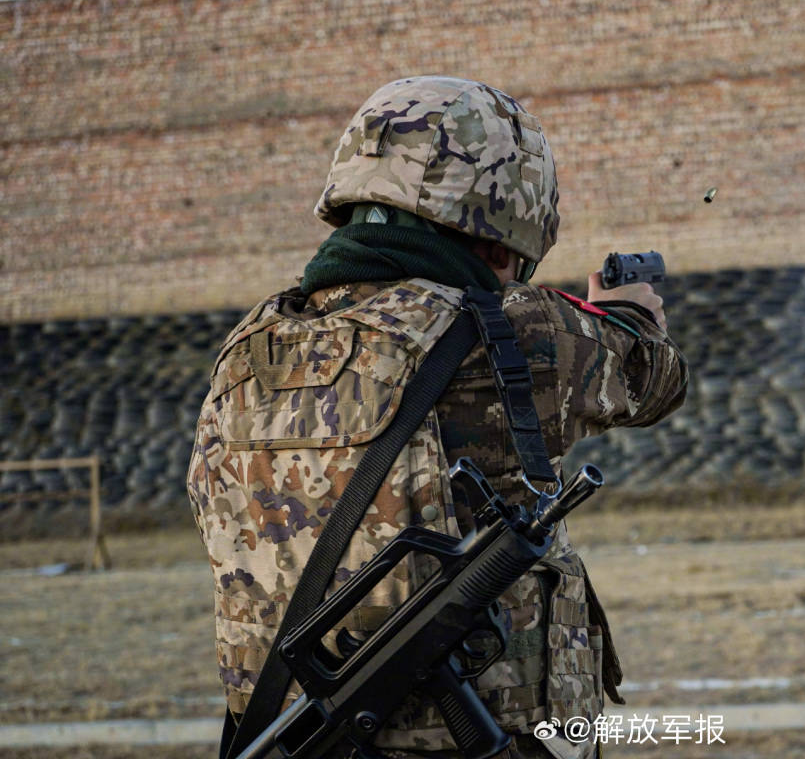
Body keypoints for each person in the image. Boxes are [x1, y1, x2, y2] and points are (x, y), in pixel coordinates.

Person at [185, 76, 688, 759]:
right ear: (503, 232)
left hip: (289, 743)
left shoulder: (248, 351)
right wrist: (630, 313)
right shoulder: (509, 334)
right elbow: (654, 378)